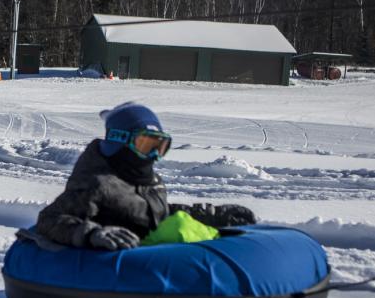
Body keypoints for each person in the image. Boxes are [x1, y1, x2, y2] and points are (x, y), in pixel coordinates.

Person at [36, 102, 257, 251]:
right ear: (119, 141)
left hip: (152, 256)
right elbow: (49, 219)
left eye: (159, 146)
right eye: (145, 144)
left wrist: (213, 214)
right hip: (117, 268)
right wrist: (93, 233)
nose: (153, 155)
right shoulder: (97, 184)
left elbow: (160, 216)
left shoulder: (151, 182)